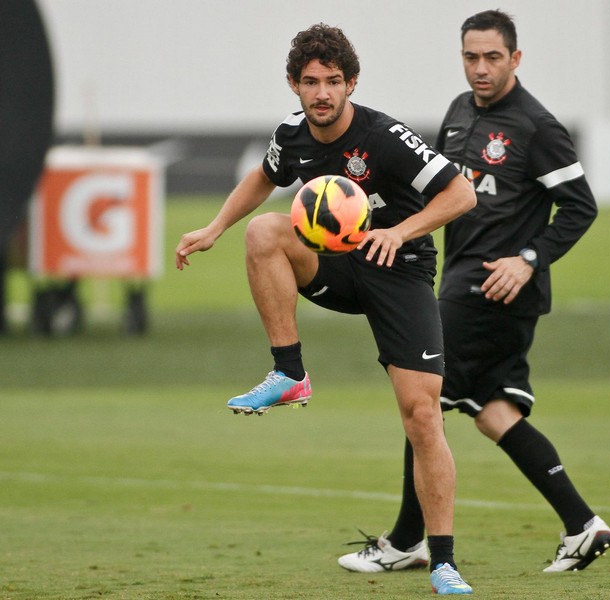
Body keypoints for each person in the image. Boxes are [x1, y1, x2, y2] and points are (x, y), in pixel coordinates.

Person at [175, 24, 476, 595]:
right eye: (310, 82)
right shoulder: (291, 135)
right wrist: (215, 227)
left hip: (400, 271)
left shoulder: (383, 135)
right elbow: (264, 177)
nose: (322, 93)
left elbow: (459, 193)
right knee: (265, 232)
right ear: (293, 85)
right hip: (335, 267)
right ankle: (289, 372)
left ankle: (439, 560)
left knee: (422, 416)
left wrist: (401, 231)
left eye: (333, 82)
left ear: (351, 83)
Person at [337, 10, 610, 575]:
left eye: (492, 57)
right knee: (493, 412)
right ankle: (583, 525)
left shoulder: (536, 126)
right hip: (461, 275)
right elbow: (437, 191)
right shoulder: (459, 112)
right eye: (470, 57)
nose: (480, 68)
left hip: (490, 286)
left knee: (423, 404)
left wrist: (529, 259)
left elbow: (581, 205)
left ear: (515, 58)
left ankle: (408, 540)